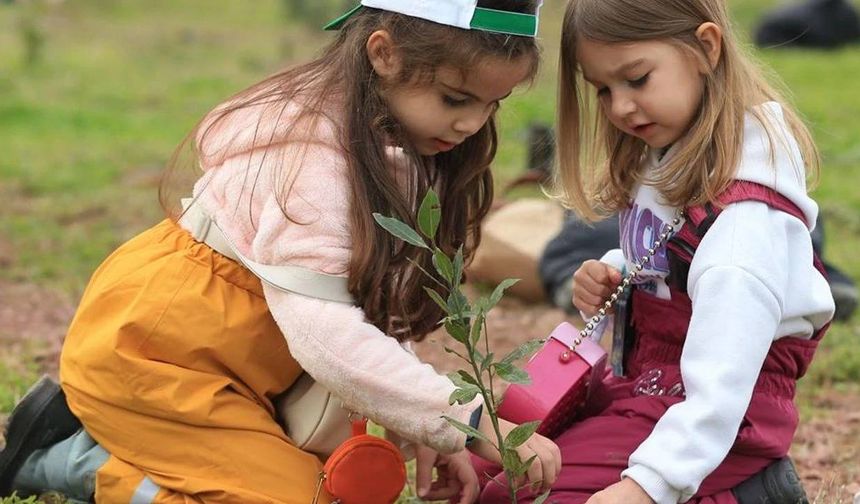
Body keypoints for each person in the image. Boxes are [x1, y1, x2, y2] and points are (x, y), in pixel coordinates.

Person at [0, 1, 563, 503]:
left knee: (338, 488)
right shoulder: (307, 163)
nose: (471, 124)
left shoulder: (400, 144)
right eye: (455, 99)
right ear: (384, 54)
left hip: (248, 372)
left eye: (492, 105)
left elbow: (370, 305)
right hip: (154, 358)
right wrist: (464, 420)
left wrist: (423, 428)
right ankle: (80, 462)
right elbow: (327, 333)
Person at [481, 0, 835, 502]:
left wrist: (646, 487)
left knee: (517, 491)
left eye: (637, 79)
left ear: (706, 49)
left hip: (722, 419)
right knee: (489, 462)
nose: (620, 107)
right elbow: (673, 259)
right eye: (604, 90)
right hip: (649, 383)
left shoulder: (744, 231)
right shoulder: (672, 150)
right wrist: (615, 272)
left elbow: (719, 391)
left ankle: (742, 491)